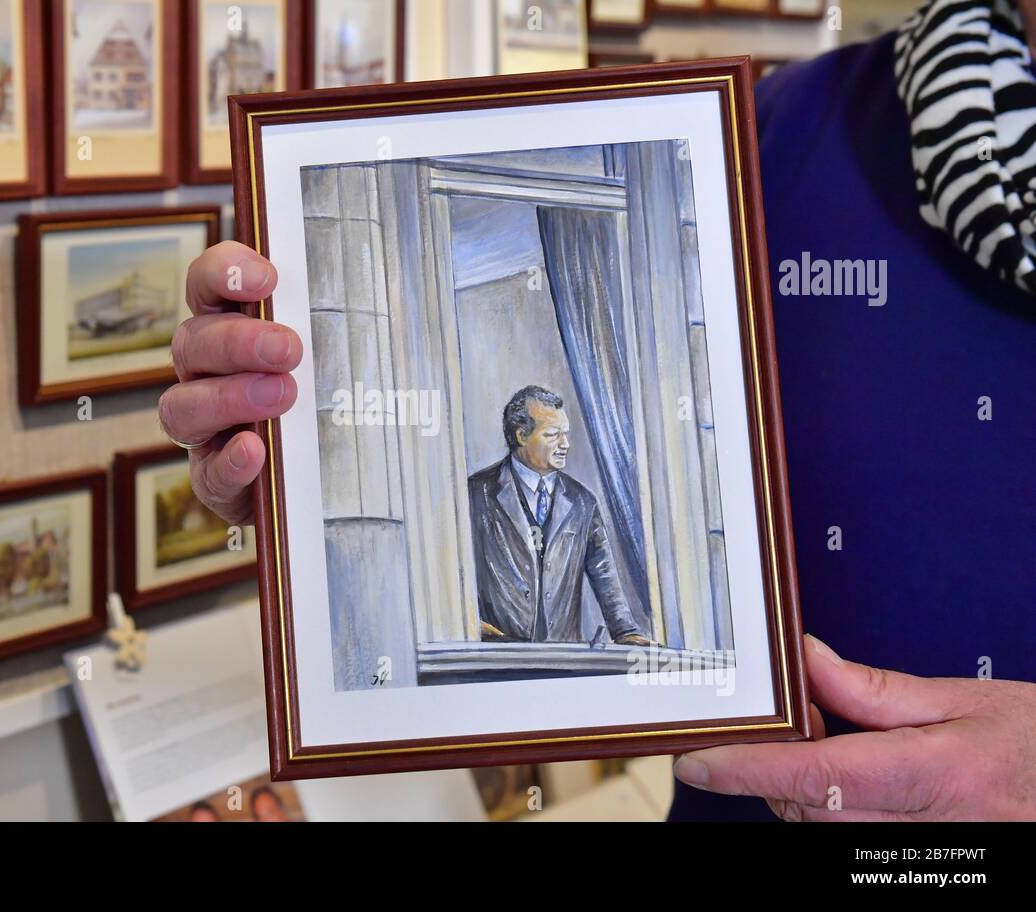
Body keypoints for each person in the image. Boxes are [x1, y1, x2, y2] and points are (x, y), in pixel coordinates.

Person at [159, 0, 1036, 820]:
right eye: (555, 430)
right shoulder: (781, 130)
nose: (571, 441)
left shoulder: (582, 505)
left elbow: (620, 601)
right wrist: (296, 474)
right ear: (517, 435)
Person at [466, 385, 650, 645]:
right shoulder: (477, 494)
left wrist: (625, 632)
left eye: (565, 434)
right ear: (521, 435)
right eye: (553, 435)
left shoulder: (582, 502)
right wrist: (467, 621)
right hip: (498, 656)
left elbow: (604, 573)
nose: (566, 444)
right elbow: (454, 571)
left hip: (562, 656)